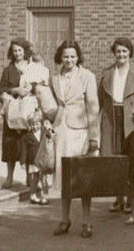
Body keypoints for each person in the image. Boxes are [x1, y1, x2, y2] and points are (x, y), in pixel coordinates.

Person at [98, 37, 134, 214]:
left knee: (131, 158)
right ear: (114, 53)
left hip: (131, 120)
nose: (121, 55)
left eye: (124, 51)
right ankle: (118, 197)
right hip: (111, 118)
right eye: (118, 51)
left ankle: (131, 198)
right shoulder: (106, 74)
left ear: (130, 53)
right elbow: (98, 101)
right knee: (114, 157)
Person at [51, 40, 100, 239]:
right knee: (64, 177)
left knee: (83, 179)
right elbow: (51, 104)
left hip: (81, 132)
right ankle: (65, 219)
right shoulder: (54, 77)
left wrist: (94, 137)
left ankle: (87, 221)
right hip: (61, 130)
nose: (69, 60)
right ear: (60, 58)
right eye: (65, 56)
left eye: (72, 56)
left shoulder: (87, 76)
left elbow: (93, 107)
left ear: (78, 57)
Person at [0, 38, 34, 189]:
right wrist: (14, 90)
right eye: (14, 51)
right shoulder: (8, 70)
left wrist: (30, 89)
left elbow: (43, 84)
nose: (17, 53)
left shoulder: (33, 68)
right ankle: (9, 177)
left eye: (20, 50)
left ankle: (29, 177)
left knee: (28, 144)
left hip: (28, 112)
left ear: (25, 51)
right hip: (12, 113)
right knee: (10, 145)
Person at [20, 111, 49, 205]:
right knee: (34, 178)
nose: (35, 127)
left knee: (44, 178)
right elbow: (24, 150)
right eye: (32, 125)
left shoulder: (45, 132)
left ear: (41, 123)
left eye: (37, 124)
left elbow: (52, 139)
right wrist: (23, 162)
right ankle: (33, 195)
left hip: (43, 160)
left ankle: (45, 196)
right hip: (33, 160)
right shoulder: (27, 136)